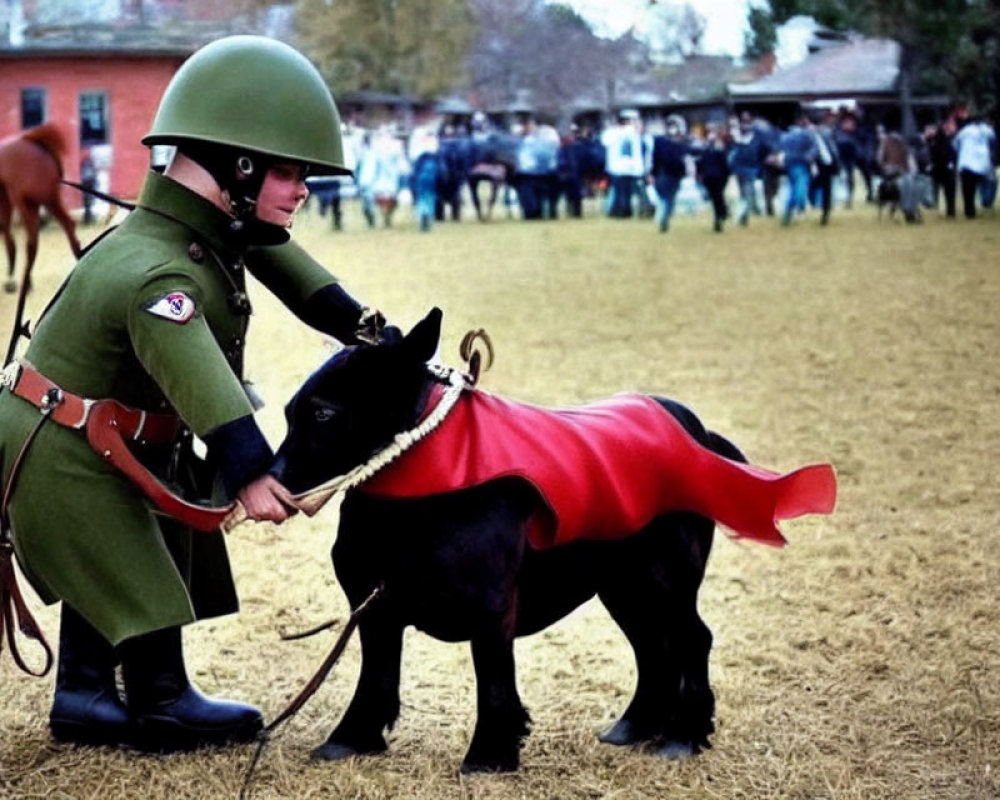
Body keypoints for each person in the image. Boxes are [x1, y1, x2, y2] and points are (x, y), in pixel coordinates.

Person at [0, 35, 384, 753]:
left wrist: (372, 334)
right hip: (59, 448)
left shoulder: (203, 228)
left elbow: (297, 274)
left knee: (142, 518)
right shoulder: (156, 270)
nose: (302, 188)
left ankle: (83, 694)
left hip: (94, 435)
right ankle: (160, 697)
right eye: (289, 171)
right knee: (121, 538)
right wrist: (255, 469)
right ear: (237, 167)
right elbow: (194, 367)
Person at [650, 114, 690, 233]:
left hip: (672, 174)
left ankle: (663, 217)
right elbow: (656, 159)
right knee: (667, 199)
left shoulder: (678, 143)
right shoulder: (664, 142)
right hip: (667, 174)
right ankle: (663, 218)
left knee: (668, 199)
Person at [952, 113, 996, 218]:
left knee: (968, 191)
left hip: (966, 163)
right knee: (989, 183)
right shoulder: (987, 130)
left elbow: (955, 144)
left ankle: (969, 211)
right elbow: (993, 140)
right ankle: (986, 202)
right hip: (983, 163)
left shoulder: (964, 131)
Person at [776, 113, 817, 226]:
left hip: (789, 164)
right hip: (801, 163)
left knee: (792, 187)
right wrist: (809, 157)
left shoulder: (785, 136)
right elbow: (814, 149)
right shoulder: (806, 135)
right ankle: (800, 205)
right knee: (800, 185)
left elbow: (780, 149)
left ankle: (788, 211)